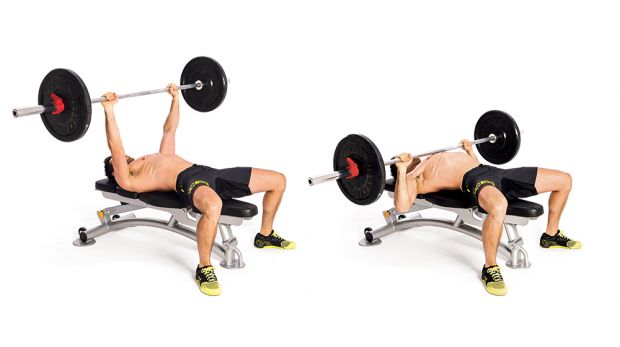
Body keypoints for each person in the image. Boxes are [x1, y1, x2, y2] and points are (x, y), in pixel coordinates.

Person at [101, 84, 295, 296]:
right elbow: (116, 147)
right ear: (114, 172)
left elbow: (169, 130)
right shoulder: (128, 178)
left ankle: (265, 235)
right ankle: (204, 268)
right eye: (116, 162)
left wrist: (175, 99)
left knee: (278, 181)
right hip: (186, 181)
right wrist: (109, 110)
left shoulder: (155, 158)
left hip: (208, 172)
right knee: (213, 206)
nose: (125, 157)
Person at [392, 140, 580, 296]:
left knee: (564, 180)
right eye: (405, 159)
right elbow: (401, 206)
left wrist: (470, 152)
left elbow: (473, 165)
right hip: (474, 181)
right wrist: (401, 170)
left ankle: (550, 235)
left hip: (494, 172)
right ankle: (490, 268)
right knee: (499, 206)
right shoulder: (413, 176)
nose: (410, 155)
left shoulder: (432, 157)